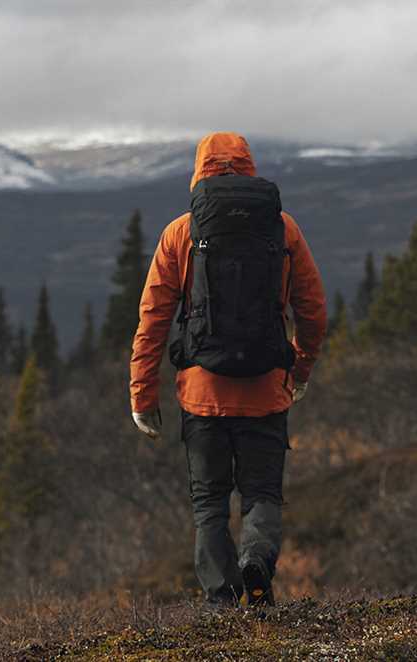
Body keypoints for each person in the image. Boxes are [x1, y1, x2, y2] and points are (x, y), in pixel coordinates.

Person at [129, 131, 327, 607]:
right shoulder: (283, 228)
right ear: (249, 166)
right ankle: (256, 562)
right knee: (262, 494)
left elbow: (153, 320)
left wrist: (142, 396)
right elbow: (313, 311)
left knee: (210, 506)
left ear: (199, 171)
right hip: (265, 391)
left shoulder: (181, 232)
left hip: (202, 396)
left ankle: (223, 606)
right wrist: (298, 372)